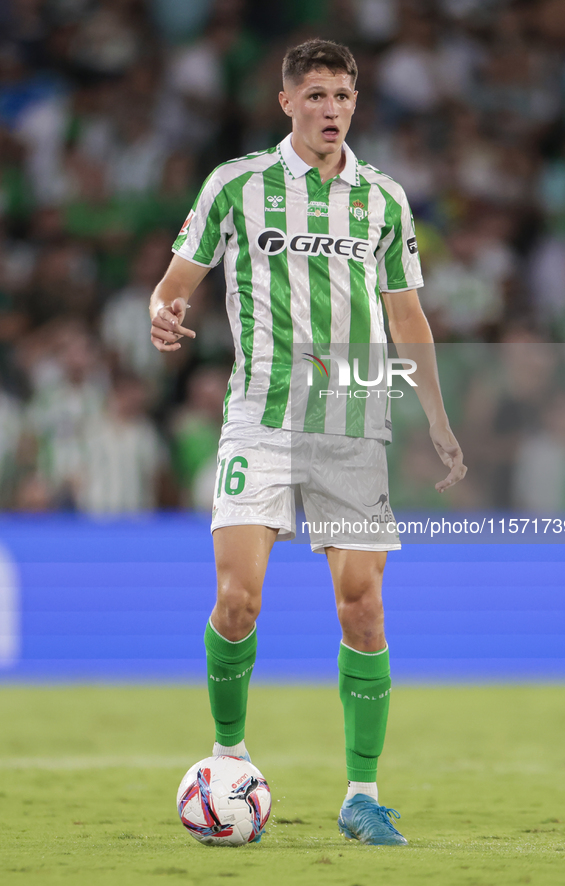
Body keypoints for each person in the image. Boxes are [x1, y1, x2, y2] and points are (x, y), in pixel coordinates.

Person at [149, 39, 466, 846]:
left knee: (362, 607)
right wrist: (162, 309)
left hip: (352, 419)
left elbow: (405, 318)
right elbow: (176, 281)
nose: (333, 109)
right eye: (317, 95)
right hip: (259, 412)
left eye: (344, 95)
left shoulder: (384, 200)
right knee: (237, 599)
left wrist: (434, 415)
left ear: (356, 103)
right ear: (286, 101)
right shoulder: (236, 186)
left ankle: (361, 793)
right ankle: (228, 759)